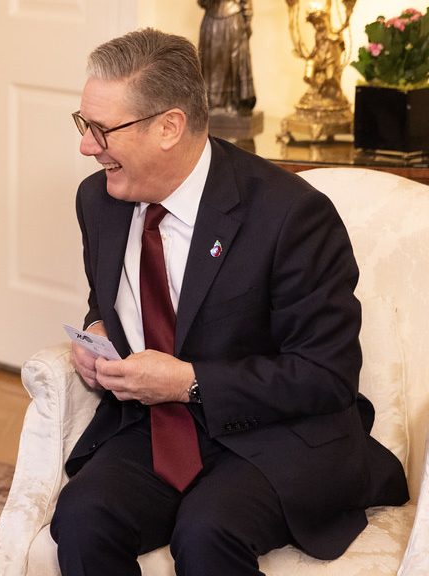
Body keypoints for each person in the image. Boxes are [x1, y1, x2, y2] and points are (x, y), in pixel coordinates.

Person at [52, 29, 407, 576]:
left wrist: (188, 382)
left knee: (207, 530)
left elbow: (326, 376)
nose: (85, 146)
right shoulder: (99, 201)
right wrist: (97, 328)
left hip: (279, 433)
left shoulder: (290, 216)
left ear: (169, 126)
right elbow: (111, 298)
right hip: (160, 427)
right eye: (83, 124)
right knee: (81, 518)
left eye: (100, 130)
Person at [198, 0, 256, 115]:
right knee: (211, 63)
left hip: (230, 20)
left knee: (231, 62)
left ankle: (231, 102)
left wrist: (247, 21)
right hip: (215, 21)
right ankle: (214, 102)